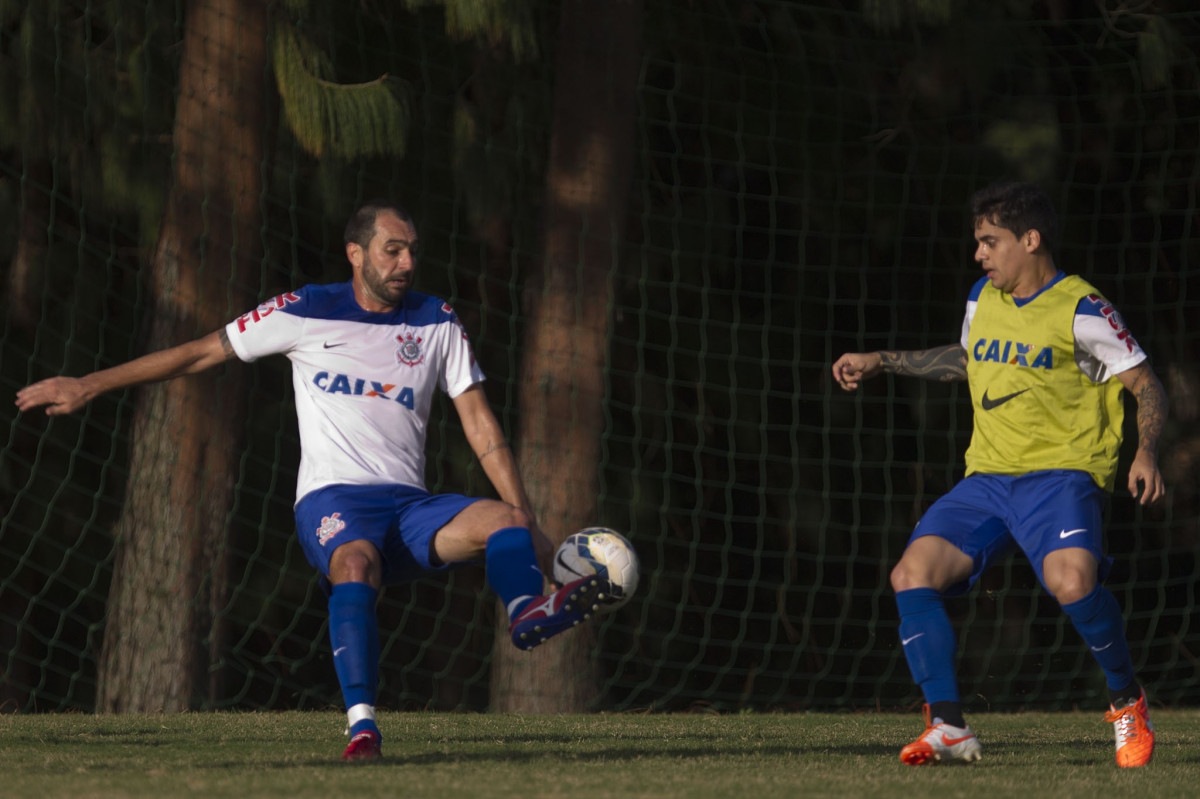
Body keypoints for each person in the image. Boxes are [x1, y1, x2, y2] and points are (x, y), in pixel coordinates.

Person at [15, 199, 611, 761]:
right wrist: (88, 384)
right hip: (333, 503)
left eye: (411, 252)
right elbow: (201, 353)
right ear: (356, 254)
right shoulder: (304, 309)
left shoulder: (436, 319)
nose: (406, 263)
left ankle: (529, 611)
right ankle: (363, 727)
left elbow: (481, 425)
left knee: (504, 520)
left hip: (409, 508)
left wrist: (528, 520)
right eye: (392, 250)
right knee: (354, 565)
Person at [832, 181, 1167, 768]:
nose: (980, 254)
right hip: (986, 479)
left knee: (1072, 584)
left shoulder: (1083, 309)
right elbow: (969, 358)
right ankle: (949, 727)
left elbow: (1145, 383)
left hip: (1061, 478)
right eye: (978, 243)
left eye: (990, 242)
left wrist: (1145, 453)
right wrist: (881, 360)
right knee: (911, 573)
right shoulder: (981, 298)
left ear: (1030, 239)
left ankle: (1125, 700)